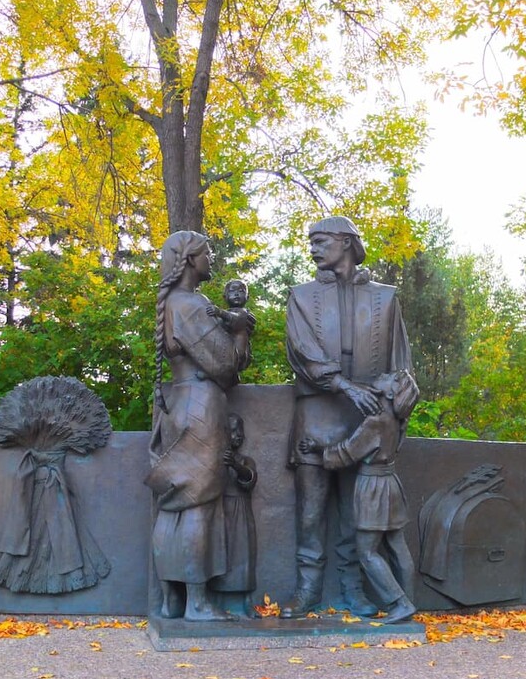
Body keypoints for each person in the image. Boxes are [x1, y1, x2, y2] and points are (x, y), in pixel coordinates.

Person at [283, 216, 413, 618]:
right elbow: (303, 353)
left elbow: (401, 361)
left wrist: (406, 392)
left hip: (368, 420)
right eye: (311, 242)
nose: (313, 249)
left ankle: (353, 591)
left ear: (346, 242)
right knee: (311, 513)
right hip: (317, 414)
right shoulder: (301, 297)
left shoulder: (386, 298)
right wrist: (345, 386)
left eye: (321, 241)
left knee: (355, 517)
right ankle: (307, 591)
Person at [144, 231, 254, 621]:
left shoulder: (174, 304)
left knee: (175, 502)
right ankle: (197, 602)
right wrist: (240, 330)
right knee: (198, 503)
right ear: (189, 259)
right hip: (201, 409)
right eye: (206, 252)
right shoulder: (191, 305)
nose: (211, 257)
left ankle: (170, 601)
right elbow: (226, 366)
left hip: (181, 405)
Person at [298, 369, 419, 623]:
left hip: (372, 487)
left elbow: (347, 453)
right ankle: (410, 600)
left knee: (366, 552)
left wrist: (320, 451)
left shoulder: (375, 422)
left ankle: (399, 603)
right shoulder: (398, 421)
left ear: (388, 392)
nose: (384, 374)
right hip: (391, 485)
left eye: (391, 377)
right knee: (397, 546)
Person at [209, 413, 258, 616]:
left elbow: (249, 478)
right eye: (233, 430)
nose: (238, 435)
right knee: (220, 554)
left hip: (240, 511)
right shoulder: (212, 457)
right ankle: (217, 601)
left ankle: (246, 601)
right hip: (219, 512)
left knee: (243, 554)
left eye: (240, 430)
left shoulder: (246, 460)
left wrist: (236, 466)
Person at [208, 279, 252, 369]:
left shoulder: (244, 313)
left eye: (241, 291)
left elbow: (236, 319)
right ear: (225, 297)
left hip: (237, 353)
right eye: (232, 291)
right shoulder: (224, 315)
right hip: (224, 351)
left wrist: (220, 312)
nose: (236, 294)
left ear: (247, 297)